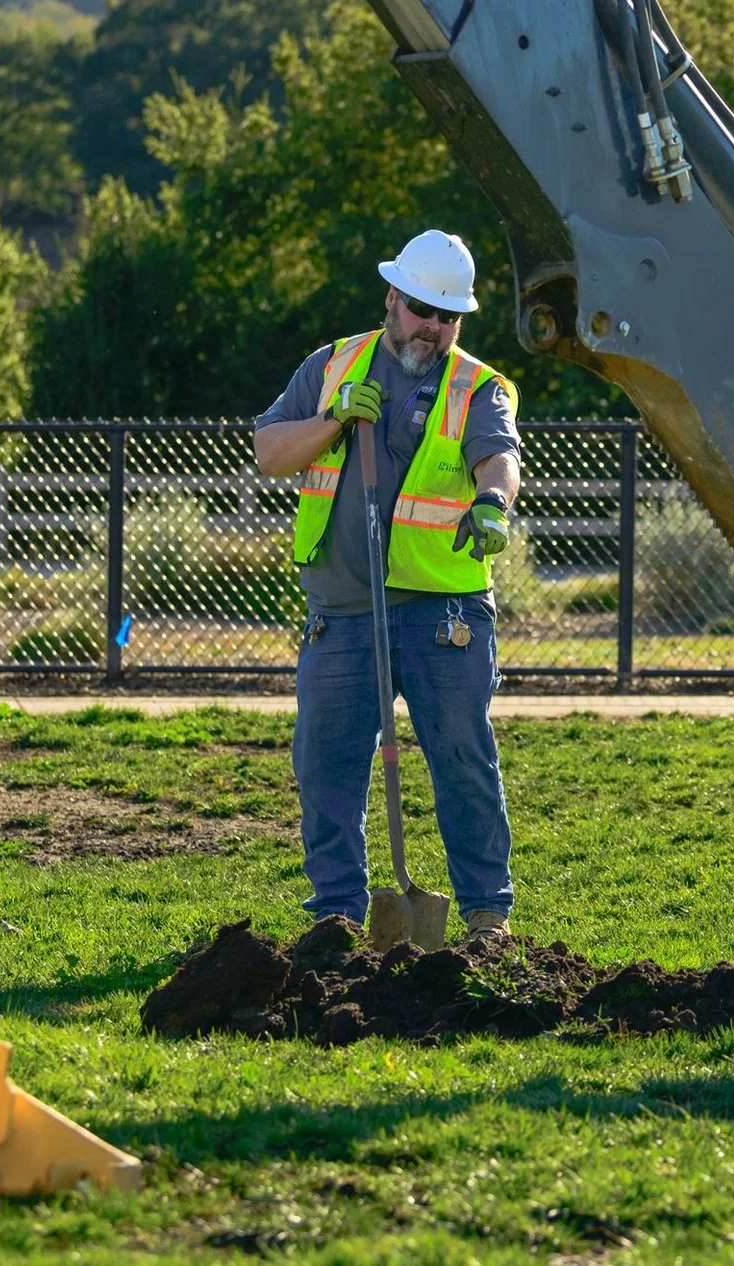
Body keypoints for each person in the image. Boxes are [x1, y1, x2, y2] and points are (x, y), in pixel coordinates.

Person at [253, 229, 523, 937]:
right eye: (420, 308)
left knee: (463, 758)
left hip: (443, 614)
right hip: (343, 611)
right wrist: (335, 419)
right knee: (326, 767)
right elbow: (270, 452)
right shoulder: (332, 366)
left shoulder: (478, 386)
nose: (432, 327)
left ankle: (486, 919)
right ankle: (337, 917)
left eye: (447, 315)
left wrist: (492, 504)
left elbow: (498, 460)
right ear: (391, 298)